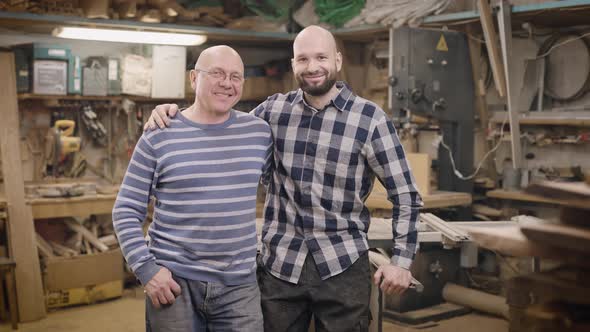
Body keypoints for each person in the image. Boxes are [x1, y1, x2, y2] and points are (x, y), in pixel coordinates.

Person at [146, 25, 423, 332]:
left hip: (342, 267)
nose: (313, 67)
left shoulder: (370, 120)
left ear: (338, 61)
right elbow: (219, 124)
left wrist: (401, 261)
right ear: (293, 65)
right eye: (302, 59)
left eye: (321, 57)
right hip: (280, 270)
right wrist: (175, 115)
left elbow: (406, 195)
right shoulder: (273, 111)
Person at [113, 45, 272, 331]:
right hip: (174, 283)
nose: (227, 83)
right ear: (193, 78)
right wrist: (147, 270)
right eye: (217, 73)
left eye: (236, 76)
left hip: (239, 288)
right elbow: (125, 210)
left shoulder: (259, 132)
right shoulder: (159, 135)